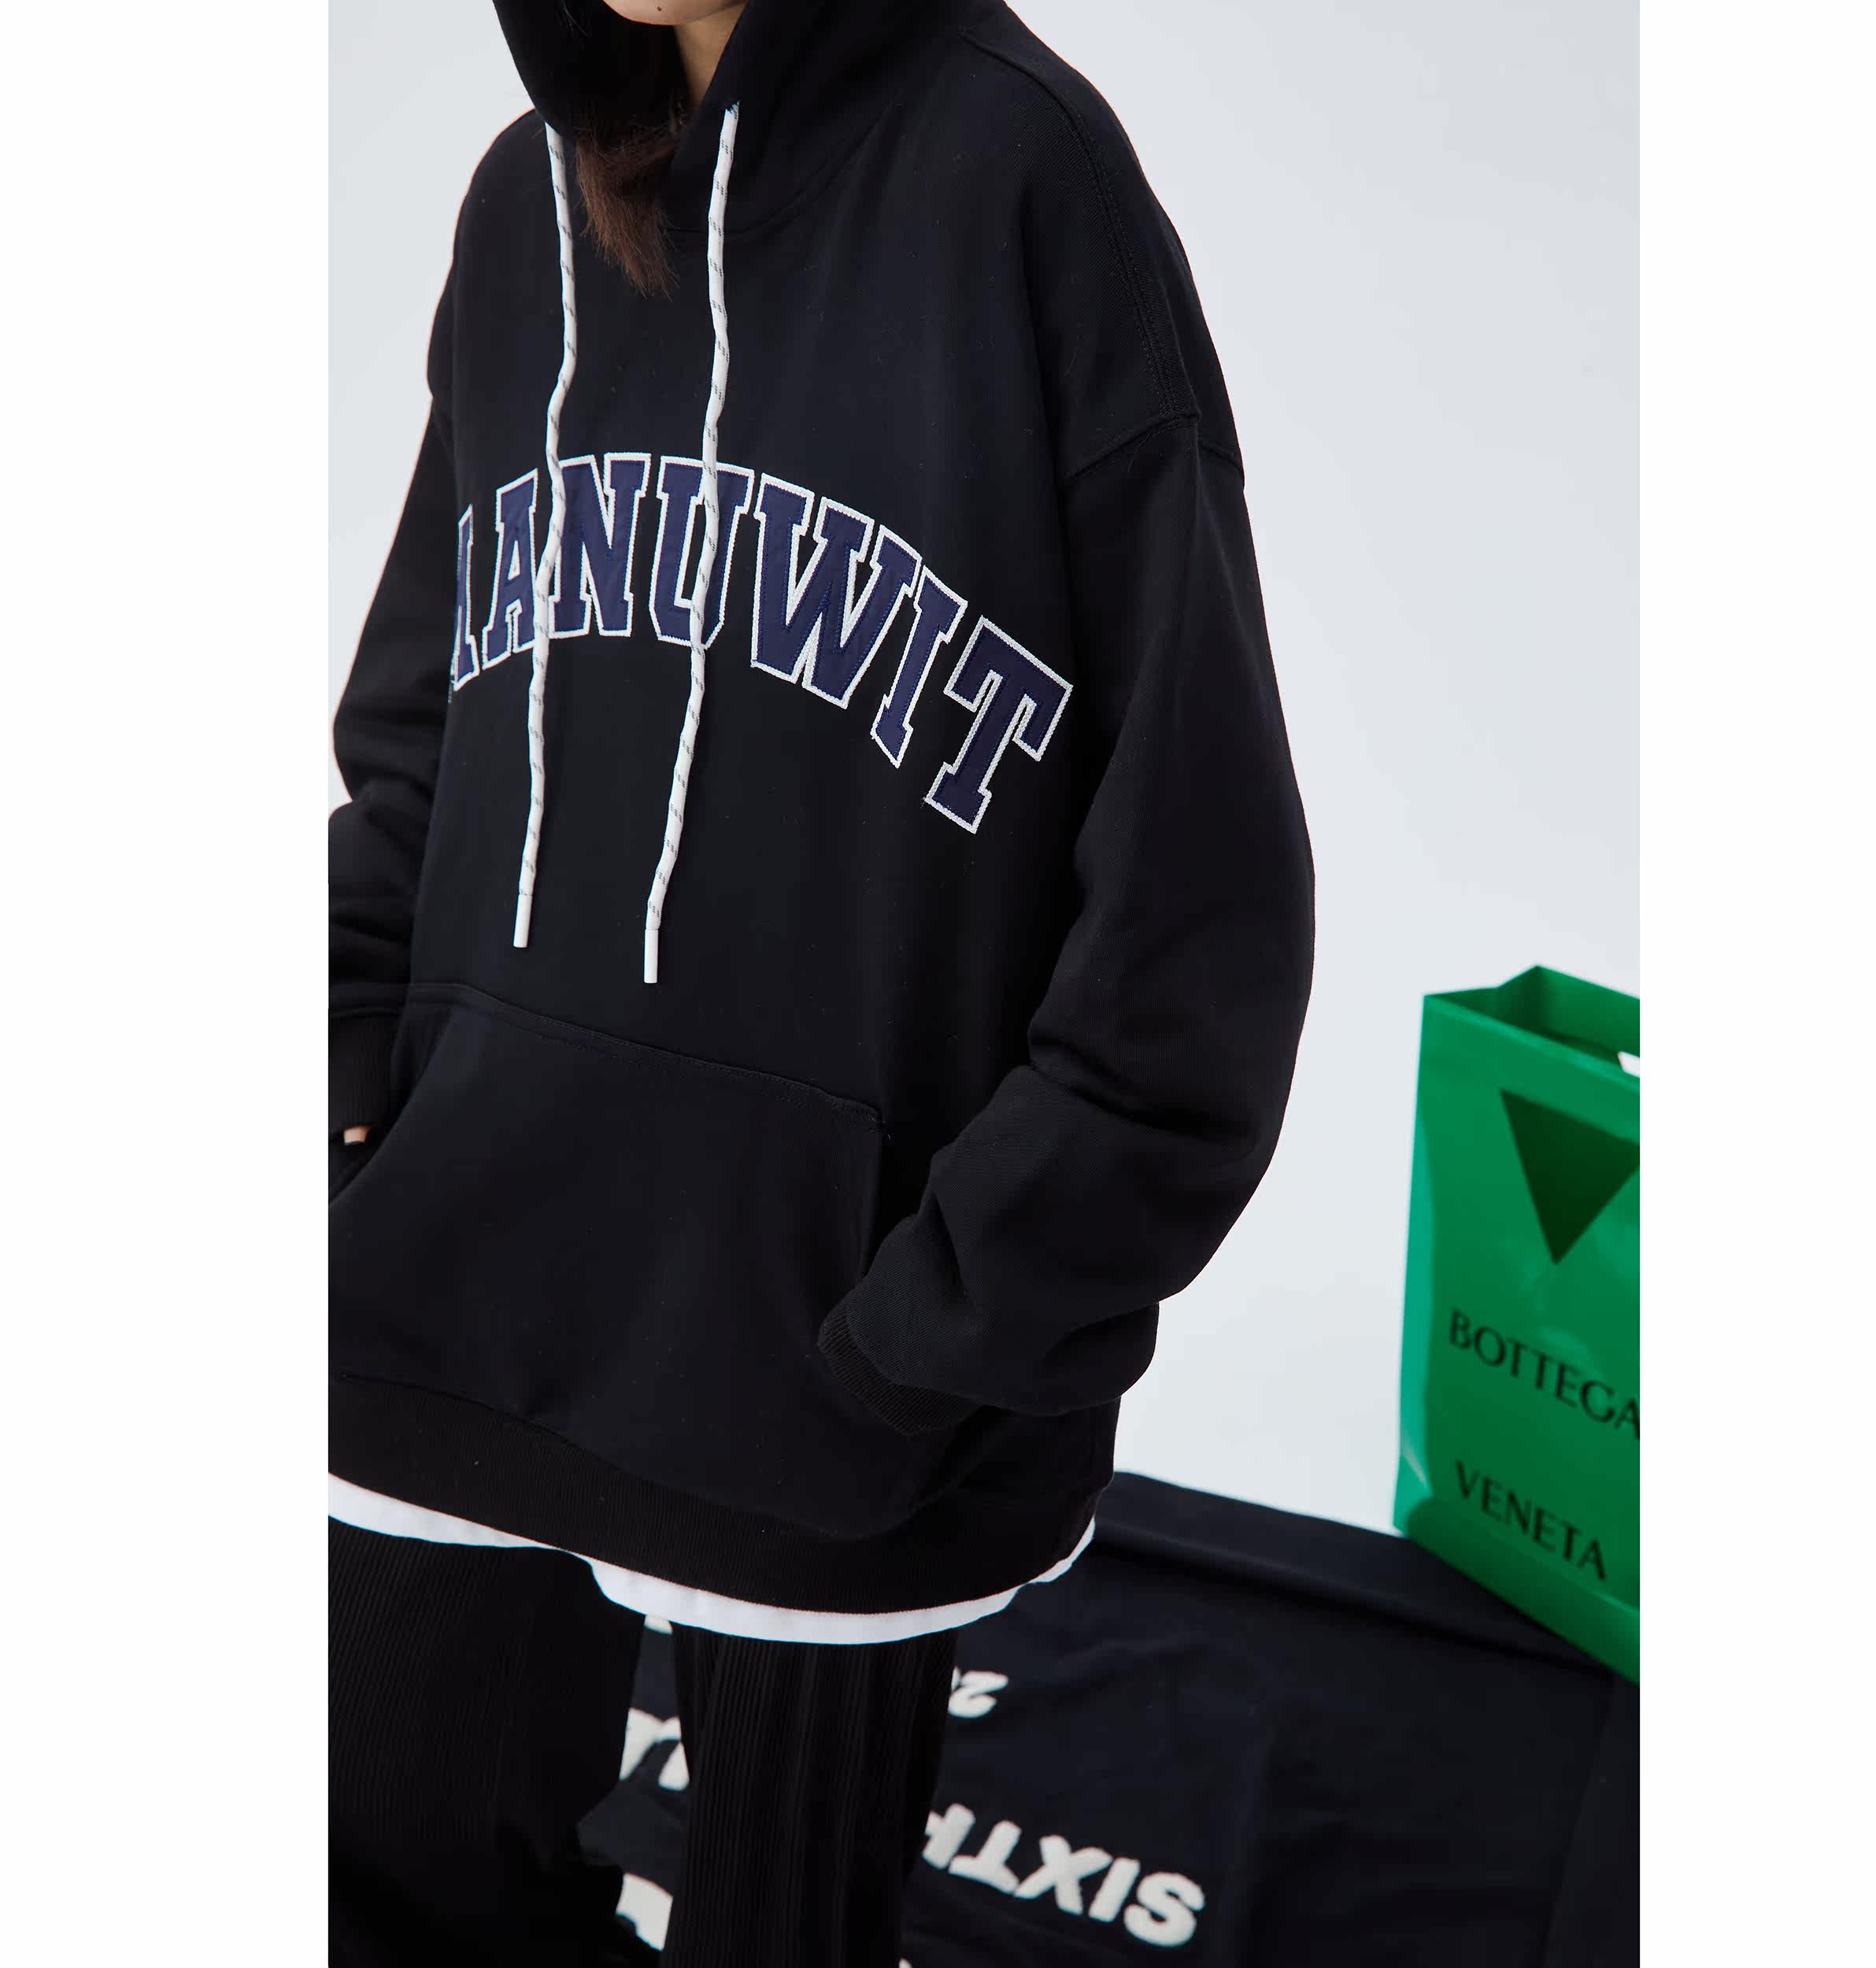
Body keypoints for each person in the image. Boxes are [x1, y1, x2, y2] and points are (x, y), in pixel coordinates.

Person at [327, 0, 1315, 1961]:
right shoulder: (526, 201)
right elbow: (424, 719)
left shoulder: (1020, 175)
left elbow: (1194, 859)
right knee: (390, 1889)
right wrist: (348, 1082)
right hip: (450, 1297)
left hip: (834, 1372)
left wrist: (957, 1309)